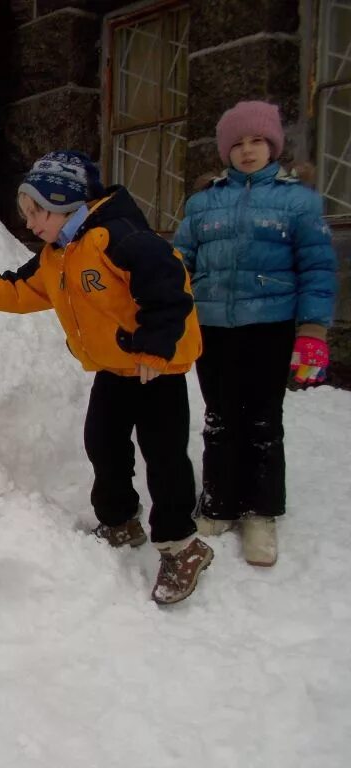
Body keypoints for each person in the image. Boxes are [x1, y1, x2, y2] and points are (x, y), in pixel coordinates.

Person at [0, 150, 212, 605]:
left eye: (36, 212)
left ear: (65, 202)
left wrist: (153, 347)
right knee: (102, 443)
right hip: (113, 369)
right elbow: (18, 289)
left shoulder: (119, 237)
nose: (29, 223)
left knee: (164, 457)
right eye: (26, 214)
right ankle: (119, 520)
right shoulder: (57, 256)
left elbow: (169, 285)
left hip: (156, 370)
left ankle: (181, 546)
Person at [173, 100, 337, 567]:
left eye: (257, 141)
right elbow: (180, 263)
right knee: (220, 417)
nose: (247, 151)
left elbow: (318, 267)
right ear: (225, 150)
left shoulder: (298, 202)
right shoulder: (203, 203)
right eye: (238, 143)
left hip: (270, 325)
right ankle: (220, 502)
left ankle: (261, 512)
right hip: (212, 327)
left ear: (273, 146)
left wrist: (312, 329)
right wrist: (168, 309)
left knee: (262, 419)